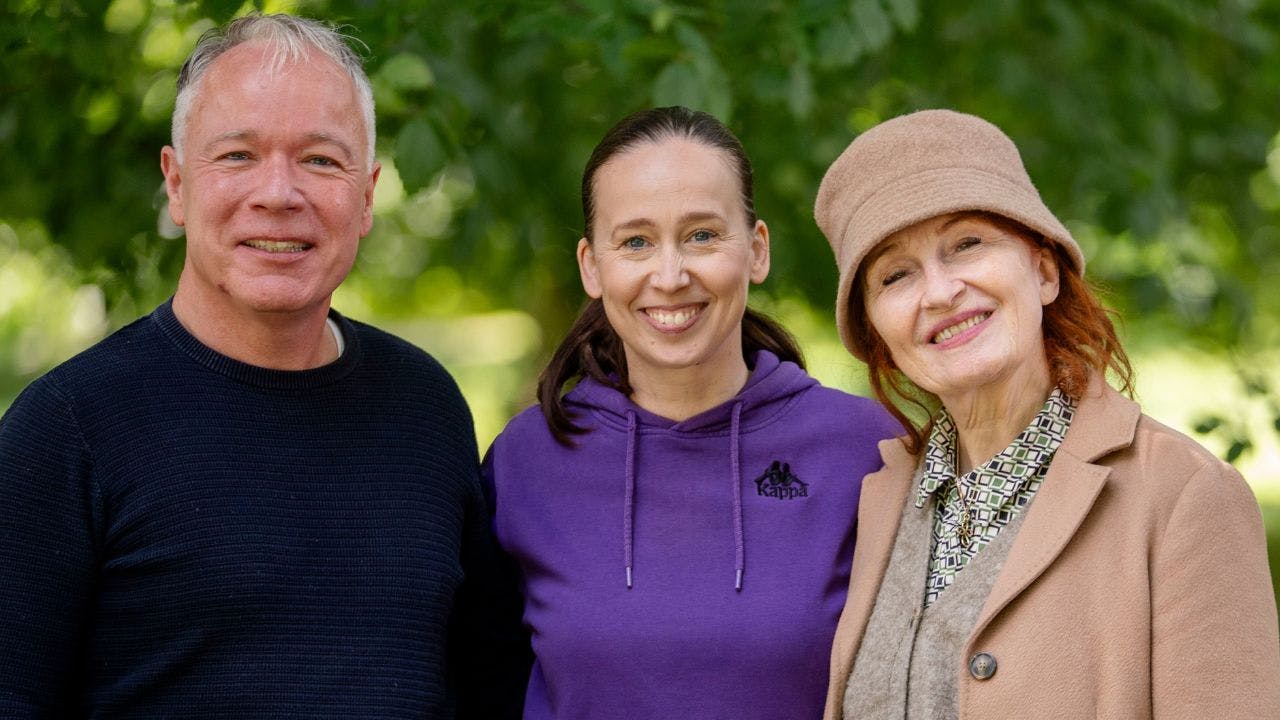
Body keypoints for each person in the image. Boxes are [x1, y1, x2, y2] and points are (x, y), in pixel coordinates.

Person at [0, 13, 526, 718]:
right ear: (177, 184)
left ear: (367, 196)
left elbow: (488, 685)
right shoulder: (67, 429)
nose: (278, 194)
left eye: (319, 160)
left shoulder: (425, 406)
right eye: (238, 155)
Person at [813, 108, 1280, 719]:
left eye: (967, 245)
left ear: (1043, 271)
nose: (939, 291)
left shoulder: (1184, 495)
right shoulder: (879, 500)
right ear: (876, 332)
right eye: (896, 275)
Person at [482, 105, 901, 719]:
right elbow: (482, 678)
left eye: (703, 235)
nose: (671, 275)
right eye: (635, 242)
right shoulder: (527, 459)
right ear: (591, 266)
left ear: (756, 251)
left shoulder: (867, 449)